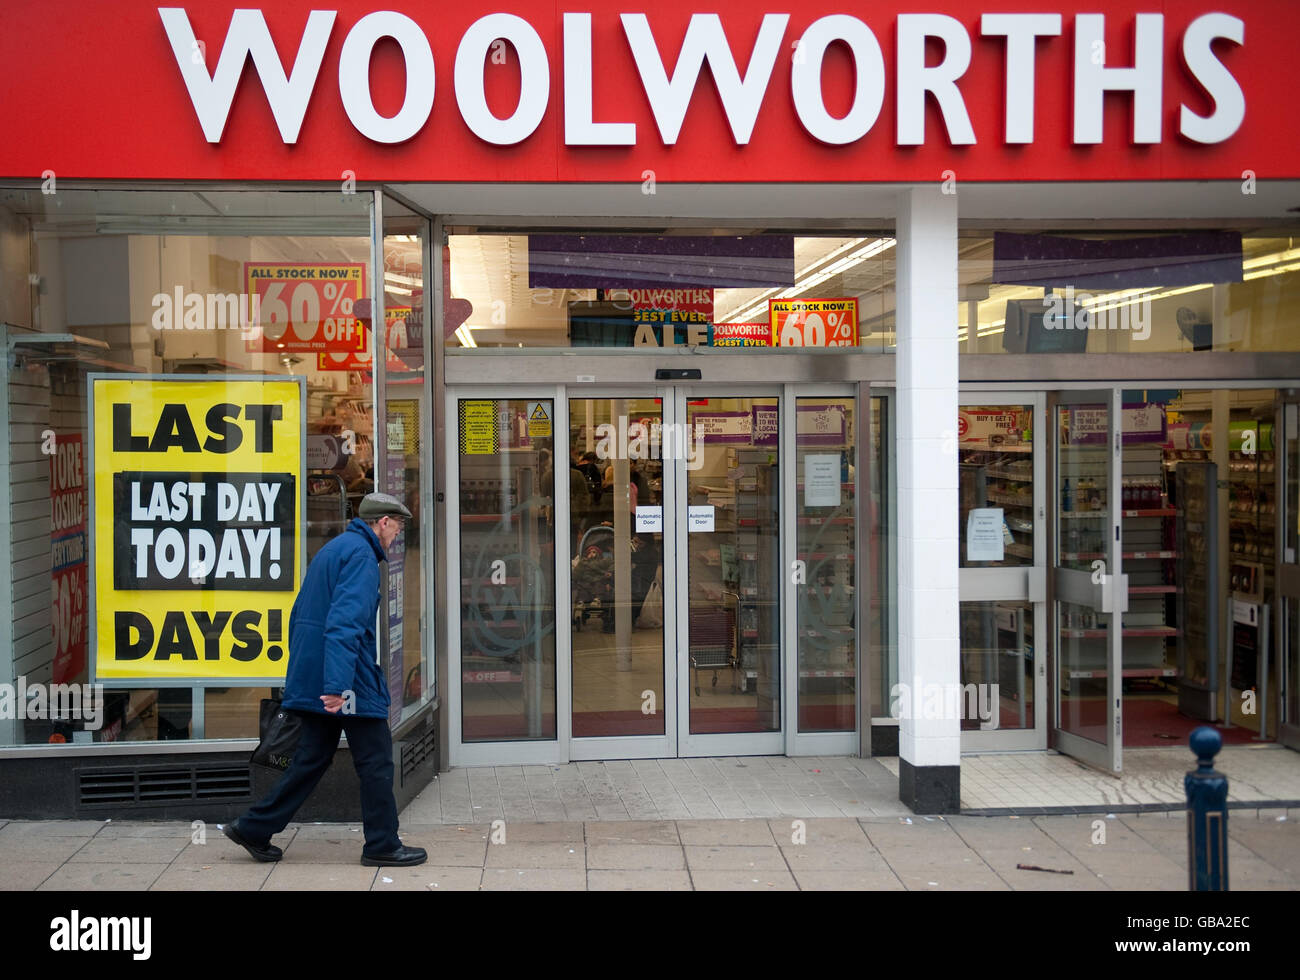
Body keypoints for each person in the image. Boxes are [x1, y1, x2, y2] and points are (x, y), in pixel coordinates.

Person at [223, 492, 427, 868]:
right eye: (397, 527)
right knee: (377, 760)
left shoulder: (336, 549)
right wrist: (336, 687)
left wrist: (310, 676)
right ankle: (382, 843)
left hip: (321, 672)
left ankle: (253, 827)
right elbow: (344, 625)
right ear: (383, 523)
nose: (397, 536)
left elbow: (301, 614)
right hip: (347, 680)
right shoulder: (362, 558)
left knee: (312, 759)